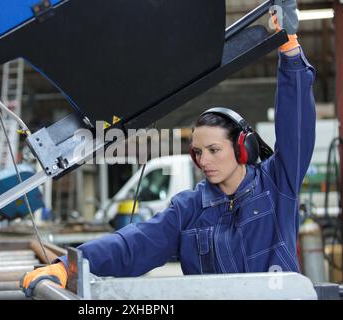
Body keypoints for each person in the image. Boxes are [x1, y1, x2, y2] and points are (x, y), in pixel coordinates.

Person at [21, 1, 316, 296]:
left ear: (243, 147)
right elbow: (132, 244)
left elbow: (296, 125)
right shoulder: (188, 209)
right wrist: (67, 266)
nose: (205, 161)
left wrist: (289, 52)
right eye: (198, 153)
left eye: (214, 150)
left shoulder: (276, 185)